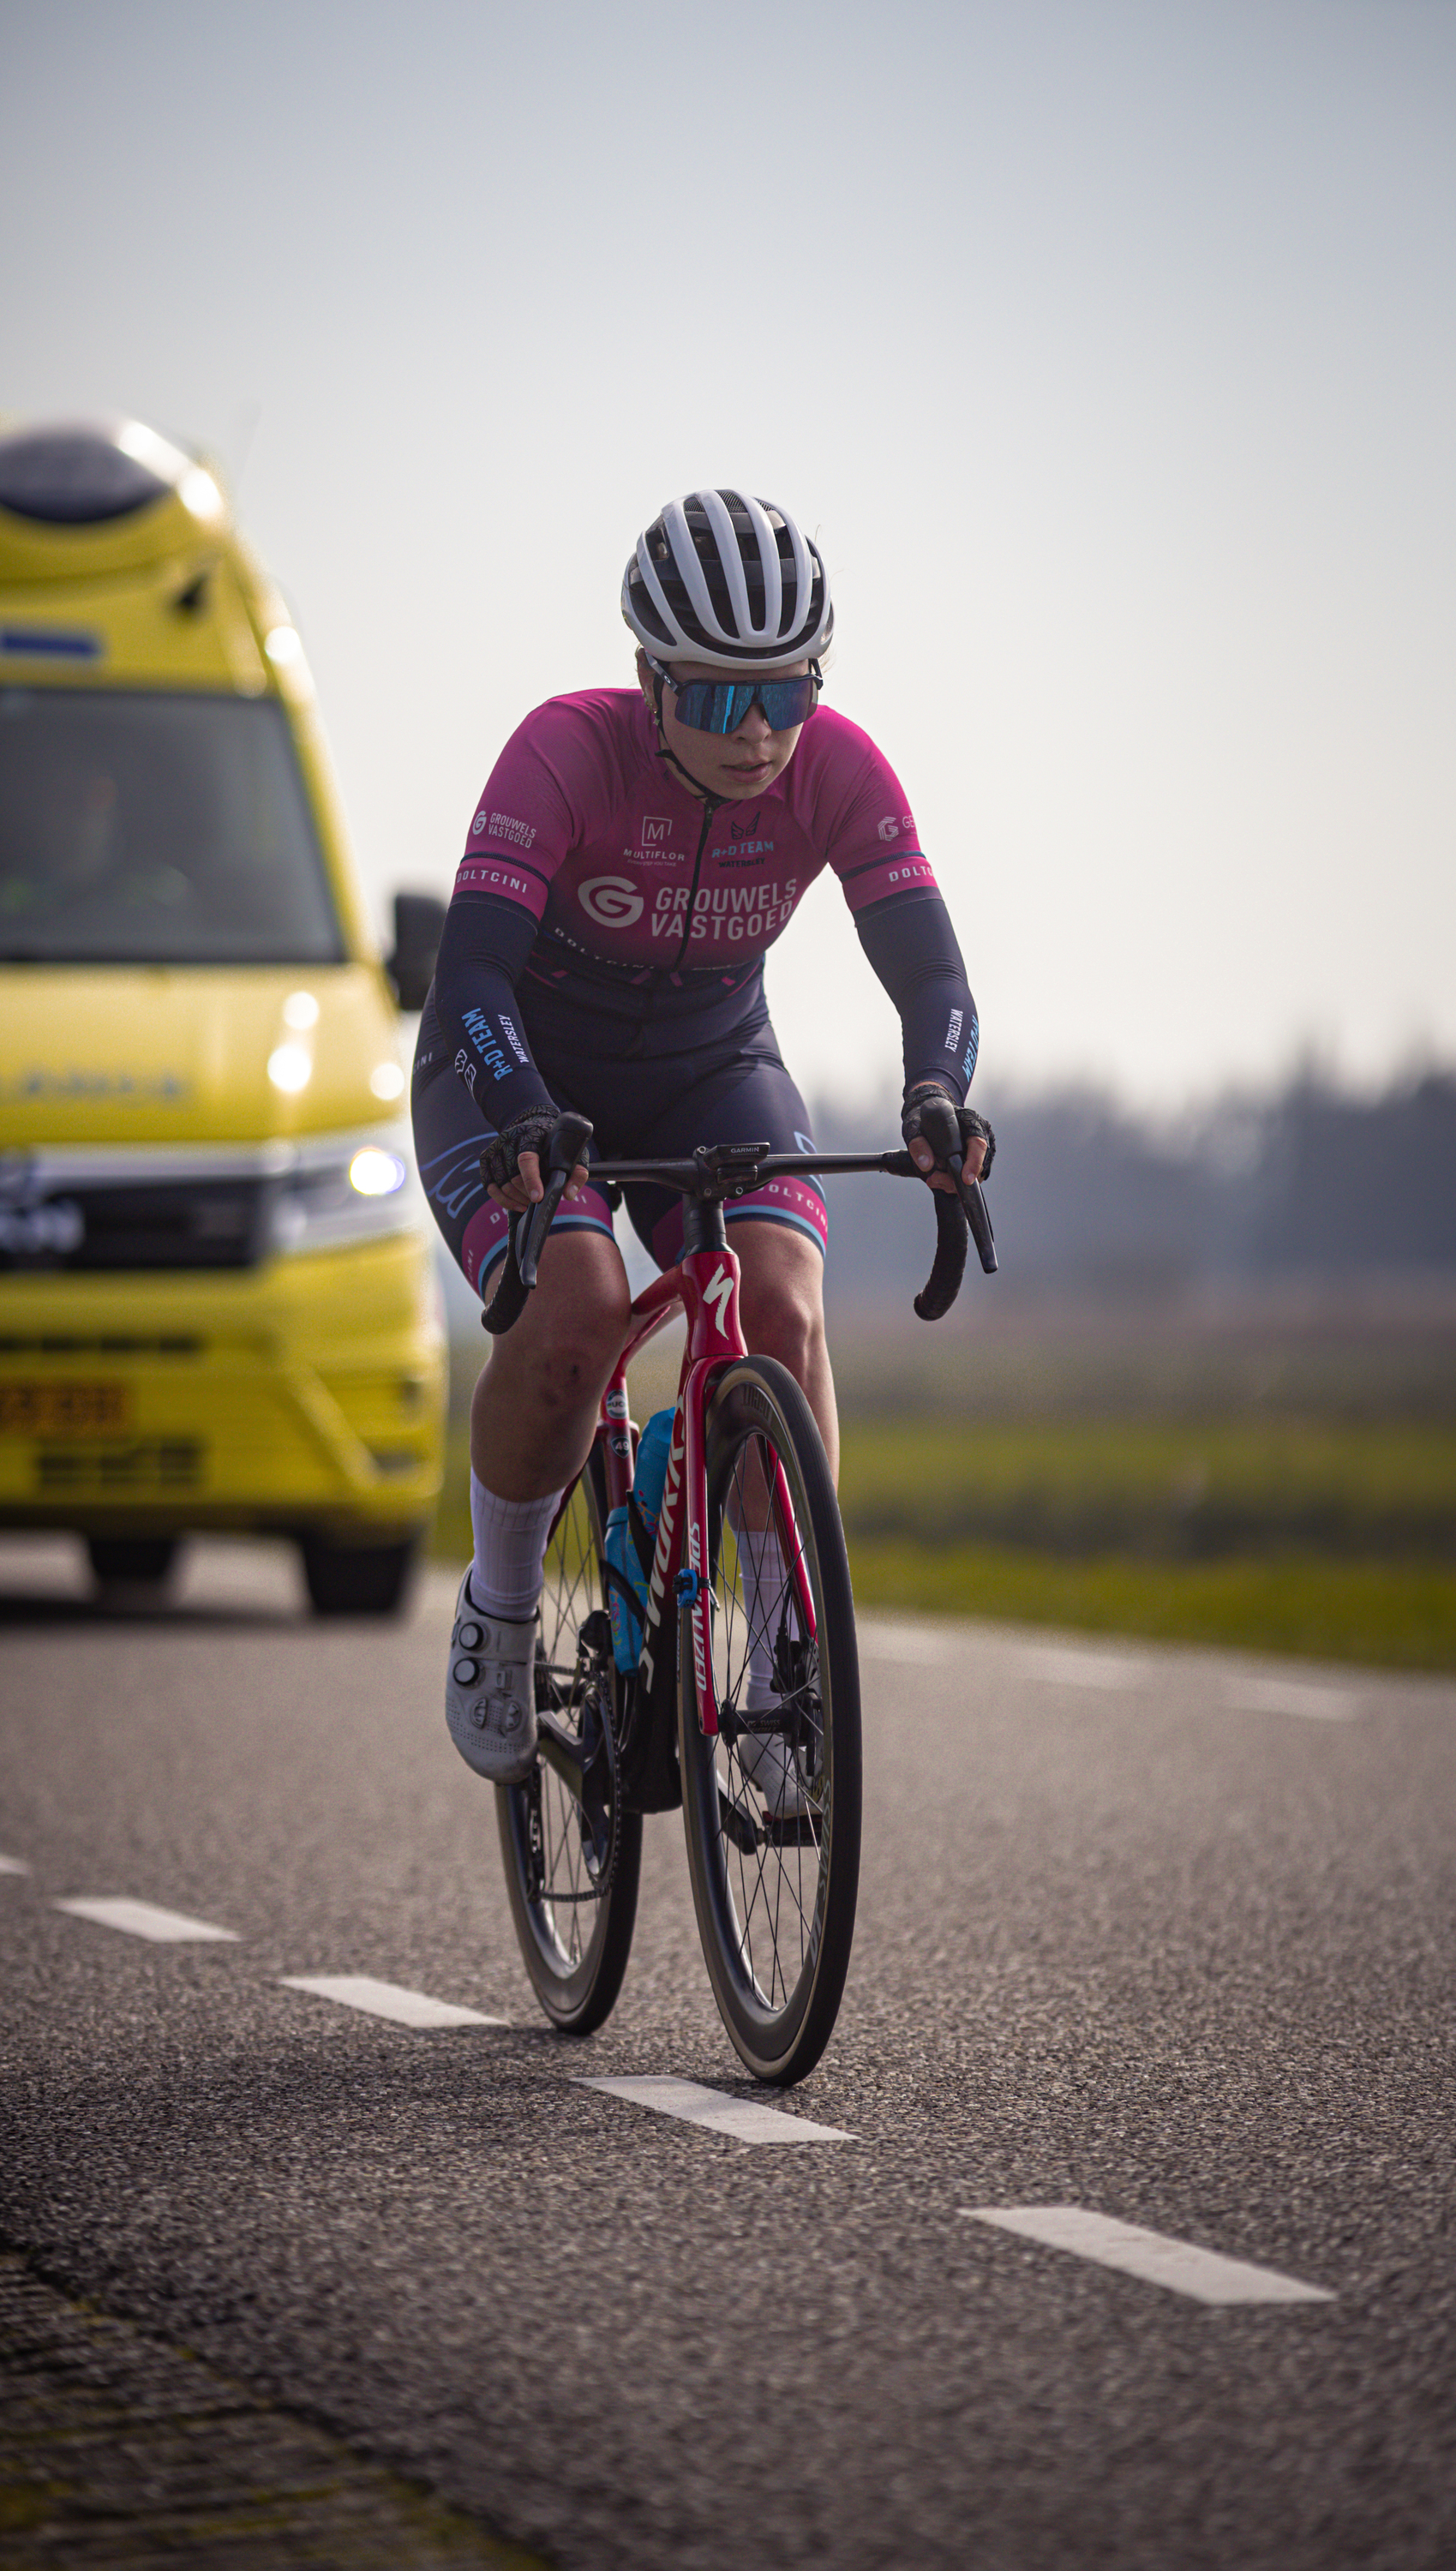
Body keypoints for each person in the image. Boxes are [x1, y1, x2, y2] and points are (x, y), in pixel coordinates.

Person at [412, 488, 992, 1789]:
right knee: (576, 1312)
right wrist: (520, 1117)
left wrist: (935, 1094)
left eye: (788, 695)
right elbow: (471, 980)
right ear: (648, 680)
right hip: (514, 1070)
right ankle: (502, 1608)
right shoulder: (562, 754)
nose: (761, 735)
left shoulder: (839, 769)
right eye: (722, 700)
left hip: (713, 1068)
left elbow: (933, 983)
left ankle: (787, 1655)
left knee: (781, 1310)